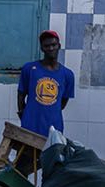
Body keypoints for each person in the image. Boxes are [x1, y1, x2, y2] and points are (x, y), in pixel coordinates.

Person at [15, 30, 76, 176]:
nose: (50, 49)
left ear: (59, 46)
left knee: (51, 170)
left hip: (54, 130)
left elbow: (63, 102)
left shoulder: (67, 74)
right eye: (47, 46)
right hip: (30, 127)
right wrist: (23, 114)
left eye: (53, 45)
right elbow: (21, 94)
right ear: (42, 48)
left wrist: (49, 111)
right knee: (21, 169)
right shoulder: (29, 69)